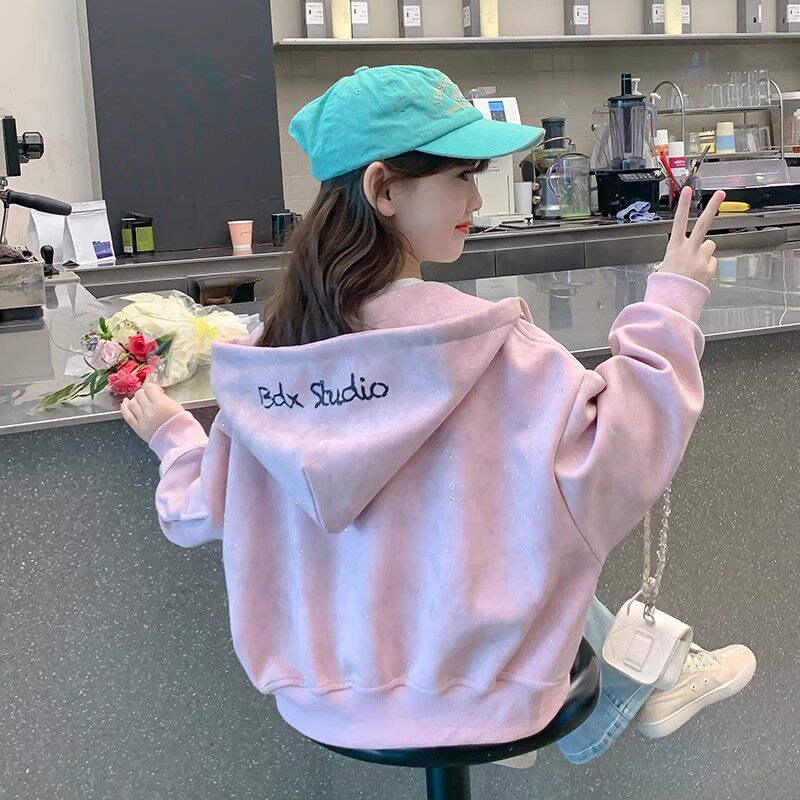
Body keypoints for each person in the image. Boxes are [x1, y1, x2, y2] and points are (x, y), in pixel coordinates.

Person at [120, 66, 755, 763]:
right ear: (383, 189)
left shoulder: (270, 364)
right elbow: (619, 457)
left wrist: (176, 438)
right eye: (460, 176)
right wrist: (671, 304)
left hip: (320, 704)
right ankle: (641, 679)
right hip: (496, 692)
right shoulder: (490, 345)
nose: (477, 199)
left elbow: (198, 512)